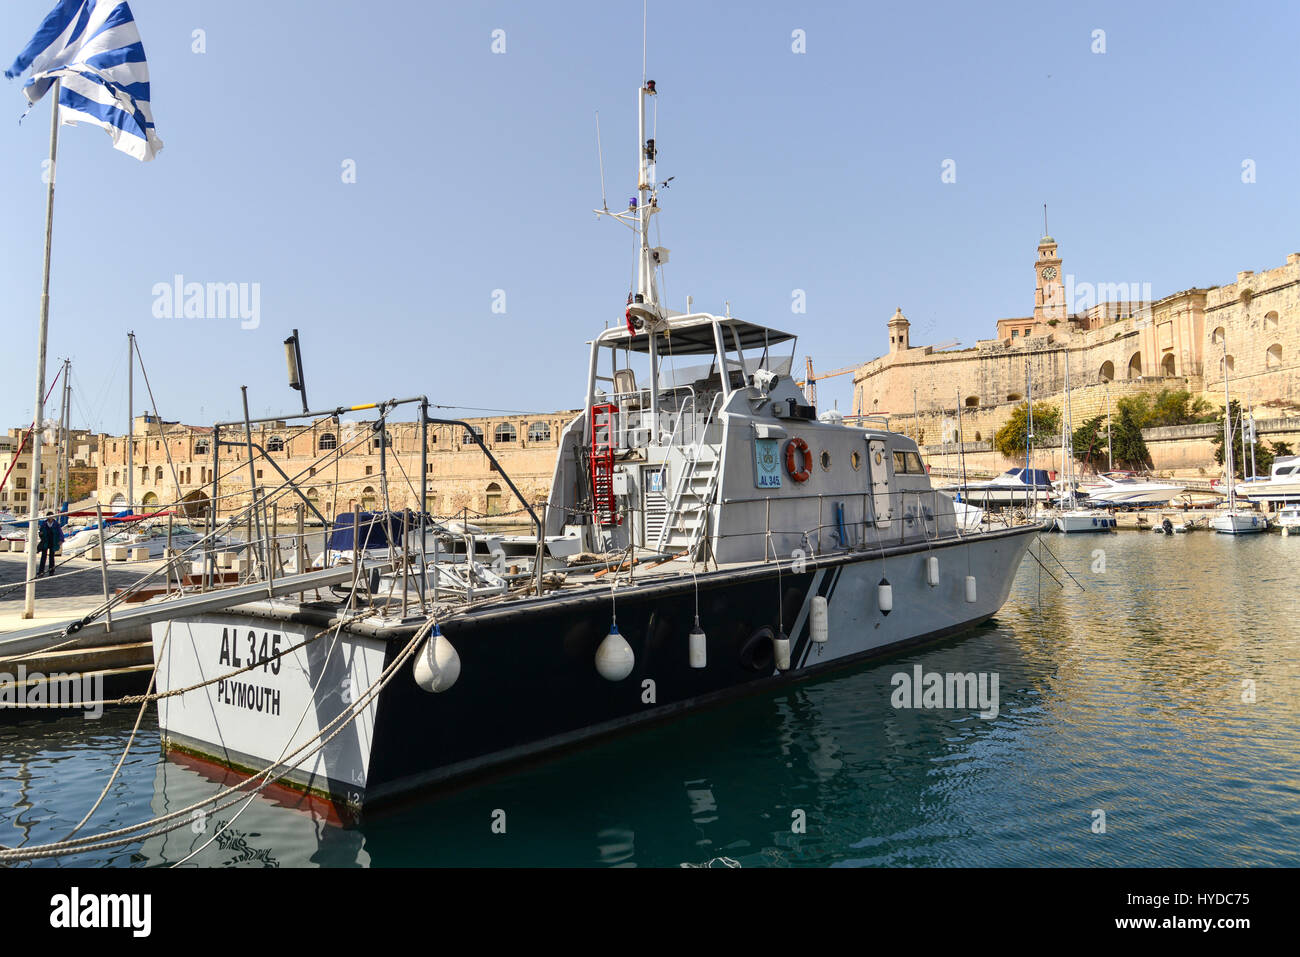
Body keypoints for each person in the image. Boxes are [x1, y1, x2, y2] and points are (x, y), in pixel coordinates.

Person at [37, 511, 63, 577]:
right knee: (43, 557)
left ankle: (51, 571)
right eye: (49, 516)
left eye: (51, 516)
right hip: (45, 542)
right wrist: (41, 534)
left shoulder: (56, 524)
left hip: (53, 541)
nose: (51, 517)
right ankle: (41, 571)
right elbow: (41, 531)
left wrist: (61, 540)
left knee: (52, 557)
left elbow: (60, 532)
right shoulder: (44, 523)